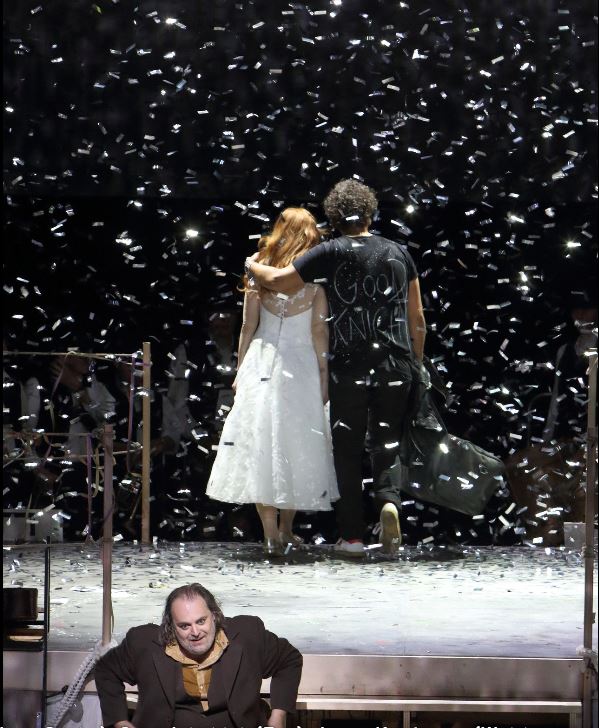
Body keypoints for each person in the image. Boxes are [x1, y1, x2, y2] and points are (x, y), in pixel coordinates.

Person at [245, 180, 426, 556]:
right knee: (387, 441)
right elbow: (418, 320)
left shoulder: (328, 252)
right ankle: (389, 502)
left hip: (349, 366)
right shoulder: (399, 253)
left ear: (333, 216)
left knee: (346, 450)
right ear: (371, 213)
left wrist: (251, 264)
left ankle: (353, 538)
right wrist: (416, 363)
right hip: (395, 364)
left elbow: (277, 281)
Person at [206, 207, 339, 555]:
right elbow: (319, 334)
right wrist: (323, 378)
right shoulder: (314, 283)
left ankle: (269, 533)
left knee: (261, 445)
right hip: (301, 367)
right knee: (295, 444)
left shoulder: (258, 274)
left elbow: (247, 327)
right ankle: (285, 529)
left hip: (262, 363)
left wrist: (240, 369)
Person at [94, 582, 302, 728]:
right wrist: (120, 721)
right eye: (184, 626)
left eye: (201, 621)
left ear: (214, 615)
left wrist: (279, 716)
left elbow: (289, 659)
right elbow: (106, 669)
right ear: (171, 626)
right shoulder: (144, 643)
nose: (195, 632)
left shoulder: (248, 634)